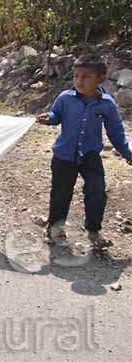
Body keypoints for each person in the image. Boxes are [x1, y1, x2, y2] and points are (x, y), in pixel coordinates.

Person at [36, 56, 132, 250]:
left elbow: (115, 131)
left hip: (90, 155)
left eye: (86, 77)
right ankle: (55, 228)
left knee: (97, 191)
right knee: (61, 193)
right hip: (64, 155)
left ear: (101, 79)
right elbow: (56, 116)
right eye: (76, 76)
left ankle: (94, 231)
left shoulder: (107, 104)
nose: (79, 81)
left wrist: (127, 154)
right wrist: (49, 118)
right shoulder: (65, 98)